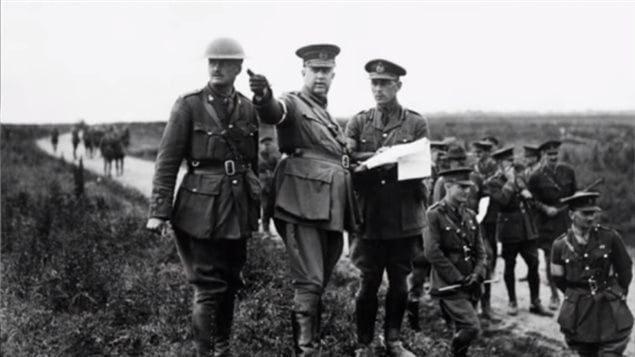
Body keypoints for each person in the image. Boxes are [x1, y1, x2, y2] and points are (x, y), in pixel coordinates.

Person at [146, 37, 260, 357]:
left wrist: (255, 209)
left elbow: (254, 164)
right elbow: (167, 161)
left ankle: (222, 348)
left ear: (238, 68)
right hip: (199, 208)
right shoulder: (189, 105)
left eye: (224, 62)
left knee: (231, 282)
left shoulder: (248, 108)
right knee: (208, 286)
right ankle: (206, 353)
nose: (216, 67)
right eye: (212, 61)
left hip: (236, 207)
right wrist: (159, 211)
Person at [248, 43, 357, 356]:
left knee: (320, 279)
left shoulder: (326, 115)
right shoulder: (293, 103)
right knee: (309, 280)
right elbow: (273, 112)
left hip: (331, 205)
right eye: (315, 70)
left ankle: (314, 344)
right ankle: (305, 350)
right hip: (301, 202)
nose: (320, 76)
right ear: (304, 72)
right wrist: (263, 96)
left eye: (326, 71)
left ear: (333, 75)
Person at [345, 59, 428, 357]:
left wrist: (397, 160)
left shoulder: (415, 123)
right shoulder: (358, 121)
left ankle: (393, 340)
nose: (378, 89)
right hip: (369, 216)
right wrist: (377, 156)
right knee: (367, 283)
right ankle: (364, 343)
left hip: (402, 215)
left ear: (398, 86)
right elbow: (348, 157)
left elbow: (421, 165)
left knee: (399, 281)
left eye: (385, 83)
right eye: (374, 83)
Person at [551, 191, 633, 357]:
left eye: (593, 213)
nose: (590, 218)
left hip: (608, 305)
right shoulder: (560, 245)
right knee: (583, 351)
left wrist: (618, 292)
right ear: (571, 214)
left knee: (612, 348)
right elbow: (558, 278)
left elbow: (625, 269)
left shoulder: (610, 237)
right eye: (585, 213)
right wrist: (575, 295)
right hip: (578, 311)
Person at [424, 168, 487, 357]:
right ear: (447, 186)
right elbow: (432, 252)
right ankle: (453, 352)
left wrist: (476, 274)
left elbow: (481, 251)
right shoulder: (434, 215)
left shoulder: (470, 215)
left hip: (471, 283)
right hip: (449, 284)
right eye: (461, 187)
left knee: (462, 328)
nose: (466, 192)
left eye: (468, 188)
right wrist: (457, 278)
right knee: (472, 327)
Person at [487, 147, 552, 317]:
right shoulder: (493, 182)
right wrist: (510, 183)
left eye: (511, 161)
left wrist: (527, 193)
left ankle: (535, 301)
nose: (510, 165)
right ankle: (512, 301)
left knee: (534, 263)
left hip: (526, 227)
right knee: (510, 265)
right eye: (506, 162)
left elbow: (530, 199)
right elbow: (501, 201)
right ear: (499, 164)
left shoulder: (520, 178)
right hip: (509, 229)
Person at [529, 139, 577, 310]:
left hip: (565, 220)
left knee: (569, 259)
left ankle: (570, 294)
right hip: (546, 223)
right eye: (550, 154)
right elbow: (531, 200)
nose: (553, 157)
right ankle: (554, 295)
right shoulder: (535, 176)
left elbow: (573, 197)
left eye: (555, 154)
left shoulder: (568, 171)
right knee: (551, 259)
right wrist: (545, 208)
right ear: (543, 155)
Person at [469, 139, 499, 321]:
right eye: (476, 152)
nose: (478, 155)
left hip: (487, 220)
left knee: (487, 258)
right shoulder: (472, 172)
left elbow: (487, 196)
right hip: (467, 225)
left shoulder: (493, 169)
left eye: (481, 152)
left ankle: (486, 306)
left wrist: (480, 216)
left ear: (488, 152)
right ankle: (473, 308)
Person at [257, 135, 279, 238]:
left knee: (274, 208)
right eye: (265, 143)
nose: (267, 145)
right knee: (265, 208)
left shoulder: (275, 156)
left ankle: (273, 231)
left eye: (269, 142)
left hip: (273, 184)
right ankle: (266, 231)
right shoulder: (259, 157)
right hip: (263, 184)